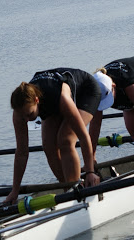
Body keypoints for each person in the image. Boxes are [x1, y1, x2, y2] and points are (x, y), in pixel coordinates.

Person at [7, 68, 102, 204]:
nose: (26, 120)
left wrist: (90, 172)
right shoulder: (20, 112)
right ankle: (67, 190)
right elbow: (22, 152)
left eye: (29, 114)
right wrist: (14, 191)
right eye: (23, 116)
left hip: (86, 92)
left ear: (36, 100)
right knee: (48, 145)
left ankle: (77, 189)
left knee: (65, 139)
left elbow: (83, 136)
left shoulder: (62, 99)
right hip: (52, 100)